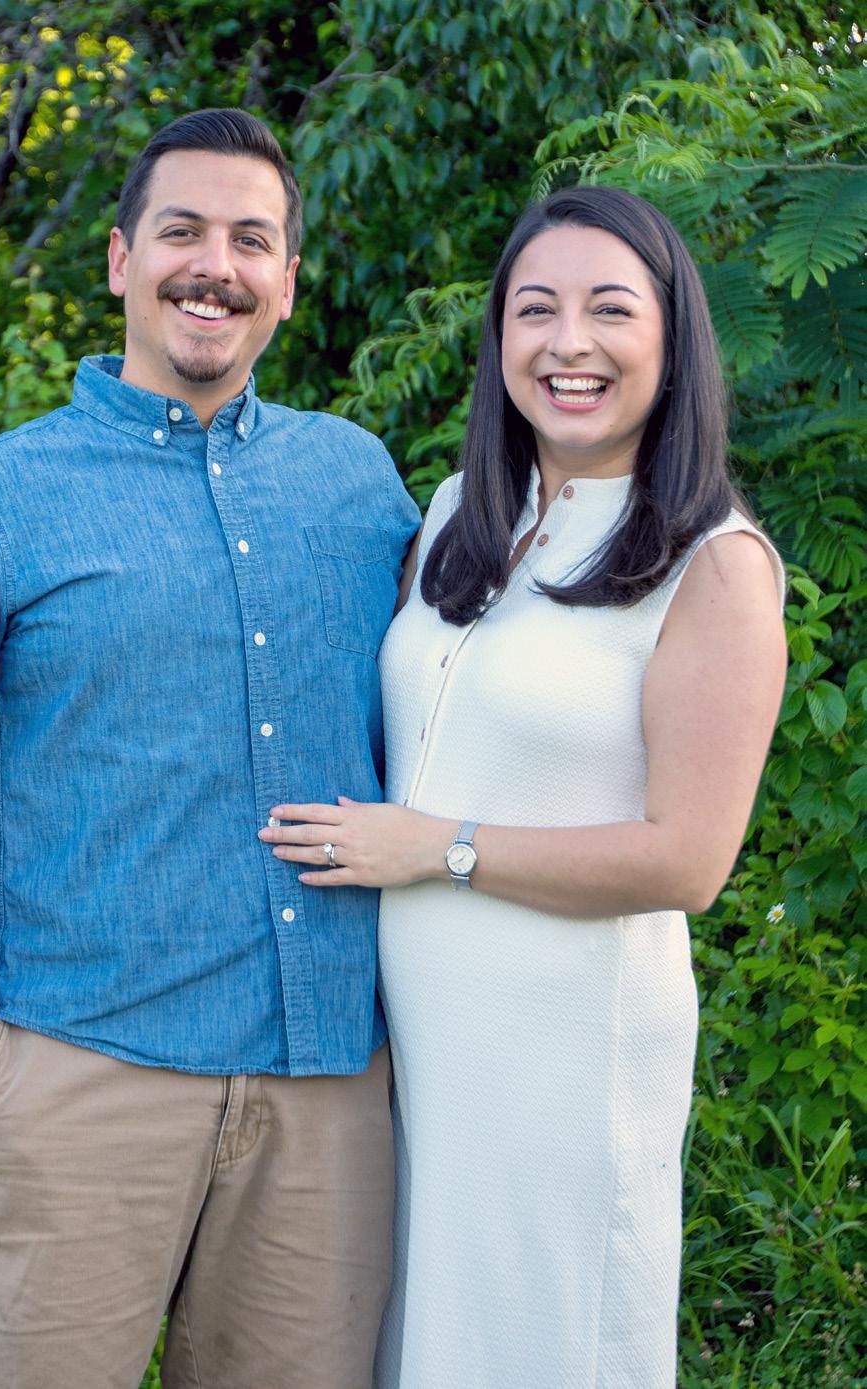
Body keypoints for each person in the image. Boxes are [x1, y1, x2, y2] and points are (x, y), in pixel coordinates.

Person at [0, 108, 419, 1389]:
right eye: (181, 232)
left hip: (327, 1091)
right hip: (79, 1076)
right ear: (120, 259)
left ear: (288, 279)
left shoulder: (358, 484)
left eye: (250, 240)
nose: (213, 266)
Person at [259, 186, 787, 1388]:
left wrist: (436, 845)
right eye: (534, 309)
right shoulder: (462, 514)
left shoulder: (713, 566)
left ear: (672, 340)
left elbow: (688, 860)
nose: (567, 344)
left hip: (563, 1056)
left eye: (610, 309)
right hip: (423, 1053)